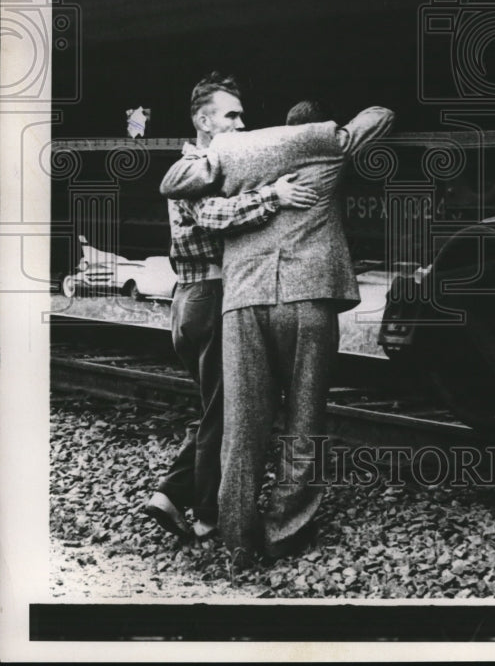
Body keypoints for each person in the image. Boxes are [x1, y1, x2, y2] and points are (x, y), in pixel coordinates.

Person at [159, 100, 394, 563]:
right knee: (304, 419)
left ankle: (238, 538)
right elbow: (380, 116)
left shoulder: (228, 149)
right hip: (307, 297)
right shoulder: (323, 141)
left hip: (243, 299)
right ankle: (284, 531)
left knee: (243, 424)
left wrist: (218, 161)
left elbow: (173, 182)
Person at [144, 73, 318, 542]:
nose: (241, 125)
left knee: (218, 408)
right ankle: (206, 513)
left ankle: (170, 493)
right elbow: (212, 216)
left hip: (193, 298)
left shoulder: (214, 163)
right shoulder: (197, 163)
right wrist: (273, 195)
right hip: (210, 296)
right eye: (231, 115)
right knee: (228, 412)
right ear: (204, 120)